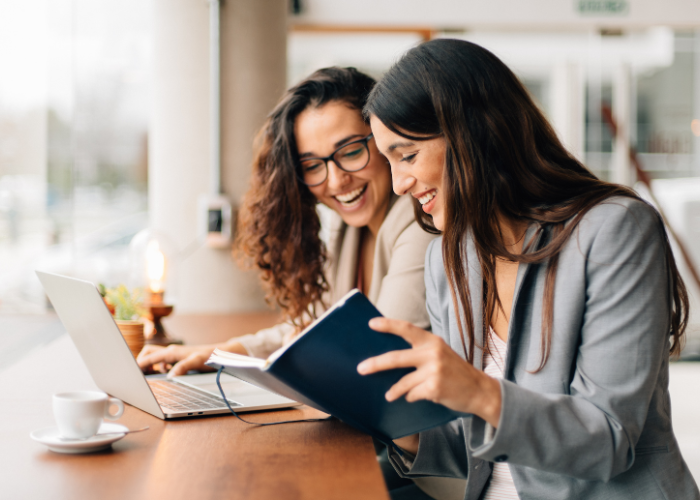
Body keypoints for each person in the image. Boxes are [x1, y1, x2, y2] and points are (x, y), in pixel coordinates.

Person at [358, 38, 700, 499]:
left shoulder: (615, 230)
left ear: (471, 133)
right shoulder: (447, 258)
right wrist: (388, 418)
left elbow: (609, 438)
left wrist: (479, 392)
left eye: (408, 155)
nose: (399, 184)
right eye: (389, 161)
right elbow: (469, 446)